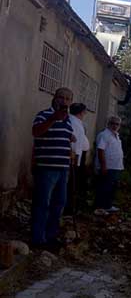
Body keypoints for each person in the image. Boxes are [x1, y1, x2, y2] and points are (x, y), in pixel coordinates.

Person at [31, 87, 74, 250]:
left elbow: (66, 139)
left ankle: (50, 237)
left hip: (63, 169)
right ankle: (37, 240)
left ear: (70, 102)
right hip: (46, 168)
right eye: (60, 97)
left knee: (59, 204)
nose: (63, 101)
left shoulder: (68, 121)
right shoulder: (43, 115)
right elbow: (36, 132)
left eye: (67, 99)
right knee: (42, 204)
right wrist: (52, 119)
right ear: (54, 98)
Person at [94, 116, 124, 214]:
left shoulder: (116, 135)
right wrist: (103, 165)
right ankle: (100, 208)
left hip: (115, 166)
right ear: (108, 124)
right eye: (113, 123)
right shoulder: (104, 135)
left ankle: (107, 206)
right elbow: (100, 150)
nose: (115, 126)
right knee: (104, 187)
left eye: (117, 124)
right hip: (107, 167)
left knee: (111, 188)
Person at [65, 103, 90, 215]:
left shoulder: (76, 121)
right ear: (81, 112)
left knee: (75, 184)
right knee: (71, 184)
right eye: (85, 112)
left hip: (78, 156)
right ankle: (68, 209)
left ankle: (72, 207)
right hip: (74, 156)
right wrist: (75, 159)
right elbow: (74, 142)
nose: (85, 114)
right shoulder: (73, 122)